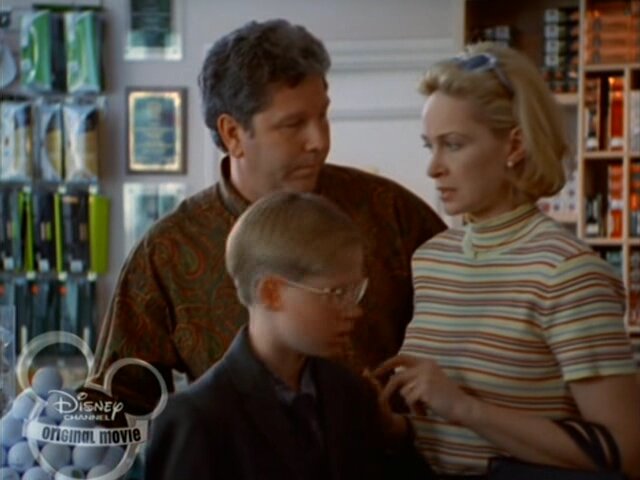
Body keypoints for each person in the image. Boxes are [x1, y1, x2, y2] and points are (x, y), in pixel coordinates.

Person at [91, 19, 445, 410]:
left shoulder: (392, 213)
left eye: (323, 116)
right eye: (293, 124)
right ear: (232, 134)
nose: (319, 141)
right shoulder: (168, 252)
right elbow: (113, 405)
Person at [374, 42, 640, 478]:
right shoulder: (431, 260)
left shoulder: (566, 273)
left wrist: (464, 407)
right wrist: (392, 423)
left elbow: (625, 452)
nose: (433, 168)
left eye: (453, 145)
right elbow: (443, 438)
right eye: (429, 146)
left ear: (514, 145)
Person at [144, 191, 435, 479]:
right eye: (337, 293)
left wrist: (397, 435)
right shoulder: (198, 418)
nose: (355, 310)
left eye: (356, 291)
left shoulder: (353, 394)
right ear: (271, 293)